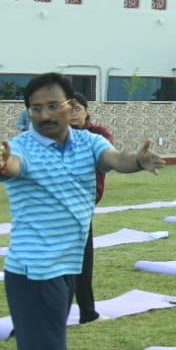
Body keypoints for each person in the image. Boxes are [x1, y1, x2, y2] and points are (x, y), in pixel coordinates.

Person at [0, 71, 164, 350]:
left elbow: (117, 161)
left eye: (53, 105)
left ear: (72, 106)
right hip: (34, 275)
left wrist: (138, 161)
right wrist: (2, 164)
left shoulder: (89, 142)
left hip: (63, 272)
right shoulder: (23, 147)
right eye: (35, 108)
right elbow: (12, 167)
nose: (45, 114)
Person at [65, 92, 113, 325]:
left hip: (82, 206)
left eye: (78, 109)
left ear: (86, 111)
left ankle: (87, 312)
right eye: (68, 108)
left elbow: (108, 157)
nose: (73, 113)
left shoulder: (97, 135)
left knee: (83, 263)